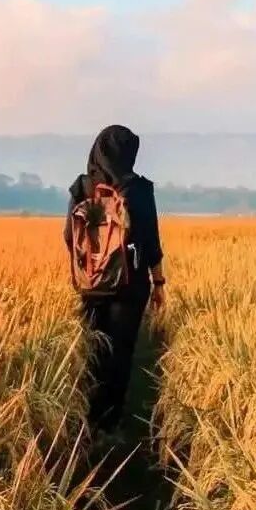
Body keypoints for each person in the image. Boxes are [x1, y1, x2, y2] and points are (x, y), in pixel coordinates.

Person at [64, 125, 166, 435]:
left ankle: (89, 420)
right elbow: (150, 241)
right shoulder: (138, 190)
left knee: (94, 350)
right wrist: (158, 283)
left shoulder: (82, 187)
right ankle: (110, 424)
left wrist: (88, 267)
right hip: (129, 286)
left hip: (91, 285)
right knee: (120, 353)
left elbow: (69, 236)